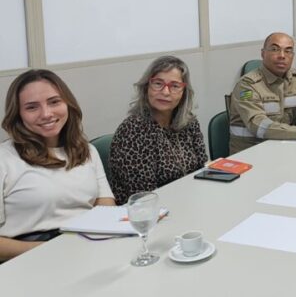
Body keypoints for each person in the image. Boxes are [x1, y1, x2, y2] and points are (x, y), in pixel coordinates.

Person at [0, 70, 115, 261]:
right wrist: (50, 249)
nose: (46, 114)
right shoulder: (4, 159)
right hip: (27, 257)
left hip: (86, 247)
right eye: (31, 107)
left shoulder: (86, 150)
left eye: (54, 102)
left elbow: (106, 204)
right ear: (18, 115)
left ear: (67, 104)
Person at [109, 56, 208, 205]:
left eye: (174, 86)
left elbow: (202, 168)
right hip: (148, 214)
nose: (166, 92)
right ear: (146, 87)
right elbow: (144, 196)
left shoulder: (189, 122)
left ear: (184, 92)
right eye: (158, 83)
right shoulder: (134, 130)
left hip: (189, 202)